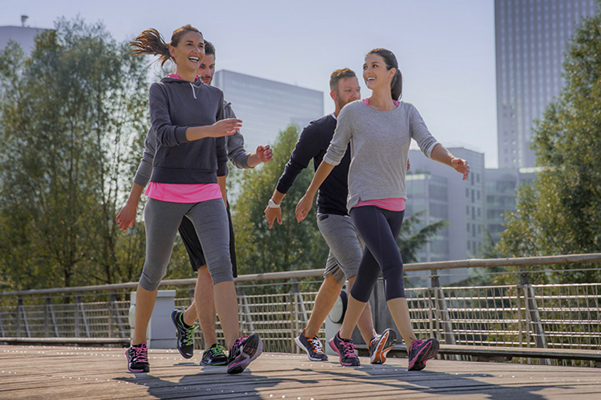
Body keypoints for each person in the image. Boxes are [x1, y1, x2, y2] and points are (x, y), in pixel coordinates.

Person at [296, 48, 470, 371]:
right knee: (393, 264)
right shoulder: (353, 113)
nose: (367, 71)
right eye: (365, 66)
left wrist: (451, 160)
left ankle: (343, 338)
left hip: (395, 204)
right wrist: (309, 195)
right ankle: (413, 343)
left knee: (366, 275)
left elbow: (428, 143)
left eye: (374, 66)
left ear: (392, 73)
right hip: (364, 203)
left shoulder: (407, 112)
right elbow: (332, 156)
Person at [116, 40, 272, 367]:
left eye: (211, 66)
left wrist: (254, 160)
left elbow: (230, 154)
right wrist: (132, 202)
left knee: (219, 266)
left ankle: (231, 345)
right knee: (162, 271)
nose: (207, 71)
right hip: (168, 191)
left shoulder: (217, 101)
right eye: (202, 65)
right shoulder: (164, 93)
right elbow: (152, 152)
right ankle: (140, 344)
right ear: (179, 56)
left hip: (207, 194)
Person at [264, 68, 396, 365]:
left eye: (358, 89)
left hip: (361, 214)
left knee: (334, 280)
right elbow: (293, 167)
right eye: (349, 90)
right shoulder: (319, 131)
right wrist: (275, 202)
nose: (356, 95)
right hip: (333, 216)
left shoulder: (366, 125)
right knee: (357, 273)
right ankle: (370, 340)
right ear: (334, 95)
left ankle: (309, 335)